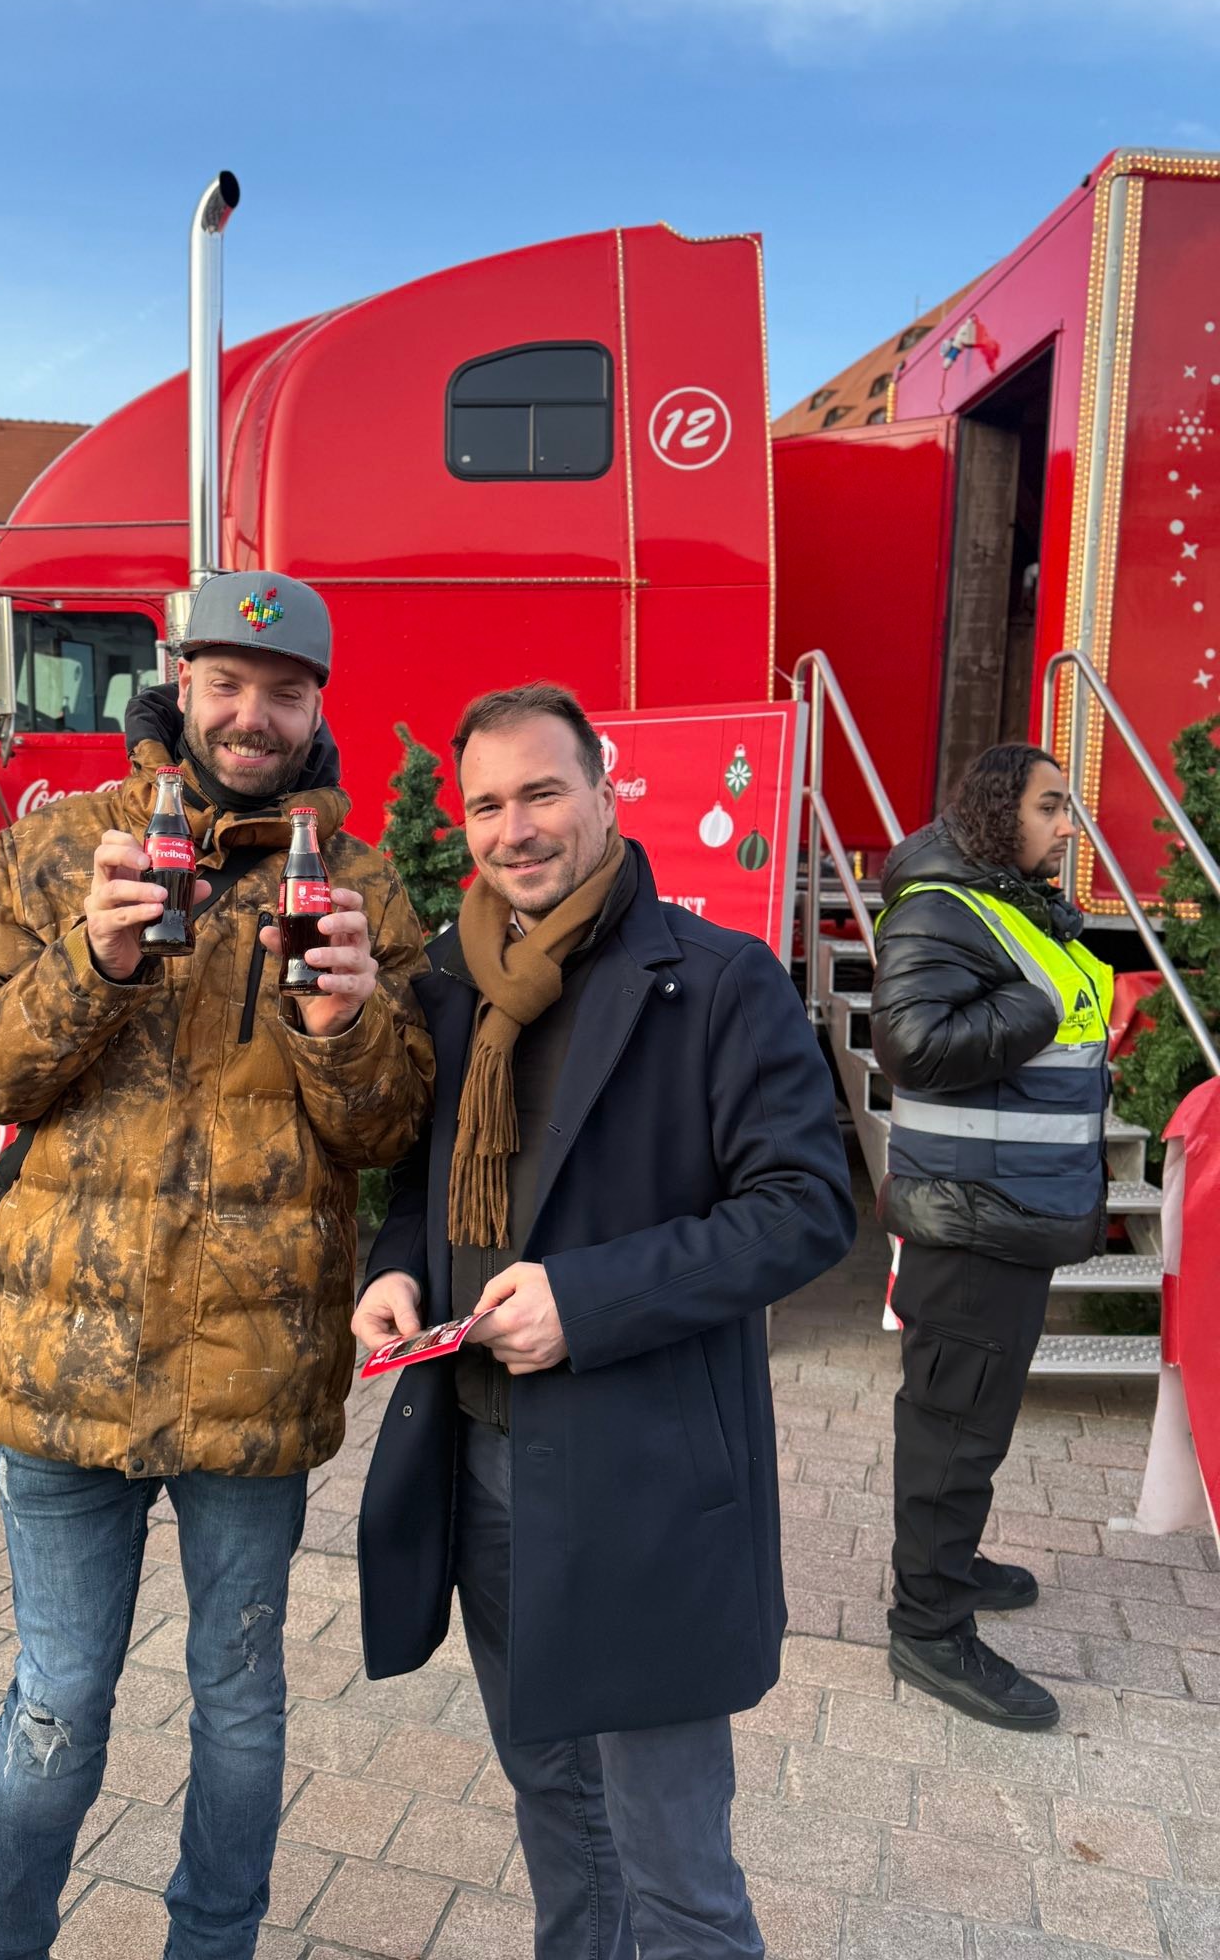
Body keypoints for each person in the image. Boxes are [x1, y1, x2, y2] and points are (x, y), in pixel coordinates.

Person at [0, 571, 433, 1960]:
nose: (254, 714)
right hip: (61, 1374)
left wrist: (342, 1022)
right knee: (59, 1700)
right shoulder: (63, 846)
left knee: (241, 1702)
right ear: (180, 685)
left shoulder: (362, 883)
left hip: (255, 1379)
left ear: (320, 704)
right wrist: (96, 956)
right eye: (228, 684)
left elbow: (393, 1128)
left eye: (286, 690)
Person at [352, 683, 856, 1960]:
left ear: (605, 794)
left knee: (674, 1860)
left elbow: (807, 1208)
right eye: (485, 803)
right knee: (558, 1817)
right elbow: (425, 1186)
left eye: (541, 791)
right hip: (481, 1462)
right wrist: (396, 1267)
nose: (513, 827)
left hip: (642, 1478)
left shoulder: (719, 979)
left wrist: (590, 1299)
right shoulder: (452, 985)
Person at [871, 743, 1111, 1730]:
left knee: (972, 1420)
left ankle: (950, 1562)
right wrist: (1037, 1001)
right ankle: (929, 1626)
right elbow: (912, 1043)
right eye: (1052, 806)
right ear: (994, 812)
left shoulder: (1006, 902)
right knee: (953, 1427)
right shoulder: (942, 906)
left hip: (1001, 1213)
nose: (1069, 826)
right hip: (970, 1220)